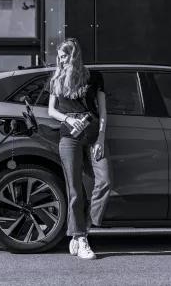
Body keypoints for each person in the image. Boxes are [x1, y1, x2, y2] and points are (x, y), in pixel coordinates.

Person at [48, 38, 111, 260]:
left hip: (93, 133)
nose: (60, 60)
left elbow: (103, 111)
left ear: (73, 55)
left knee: (104, 181)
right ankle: (80, 238)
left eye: (64, 56)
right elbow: (51, 111)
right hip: (69, 136)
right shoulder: (56, 78)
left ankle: (83, 227)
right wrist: (68, 119)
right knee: (74, 189)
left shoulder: (94, 77)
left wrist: (101, 139)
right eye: (59, 56)